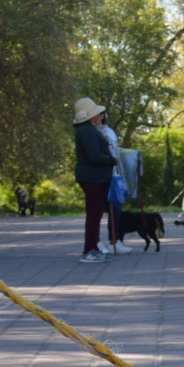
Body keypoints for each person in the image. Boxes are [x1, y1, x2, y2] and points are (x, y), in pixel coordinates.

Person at [71, 97, 116, 263]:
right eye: (97, 114)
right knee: (93, 215)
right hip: (93, 177)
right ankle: (89, 250)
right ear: (90, 116)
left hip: (94, 177)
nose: (100, 117)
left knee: (95, 215)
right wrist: (112, 160)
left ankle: (94, 248)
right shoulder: (87, 131)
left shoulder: (86, 130)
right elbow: (94, 155)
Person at [95, 112, 132, 255]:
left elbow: (115, 152)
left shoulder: (109, 132)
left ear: (103, 116)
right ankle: (96, 242)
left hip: (113, 175)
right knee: (97, 210)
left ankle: (115, 241)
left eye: (99, 115)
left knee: (116, 209)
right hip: (98, 175)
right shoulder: (91, 132)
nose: (97, 118)